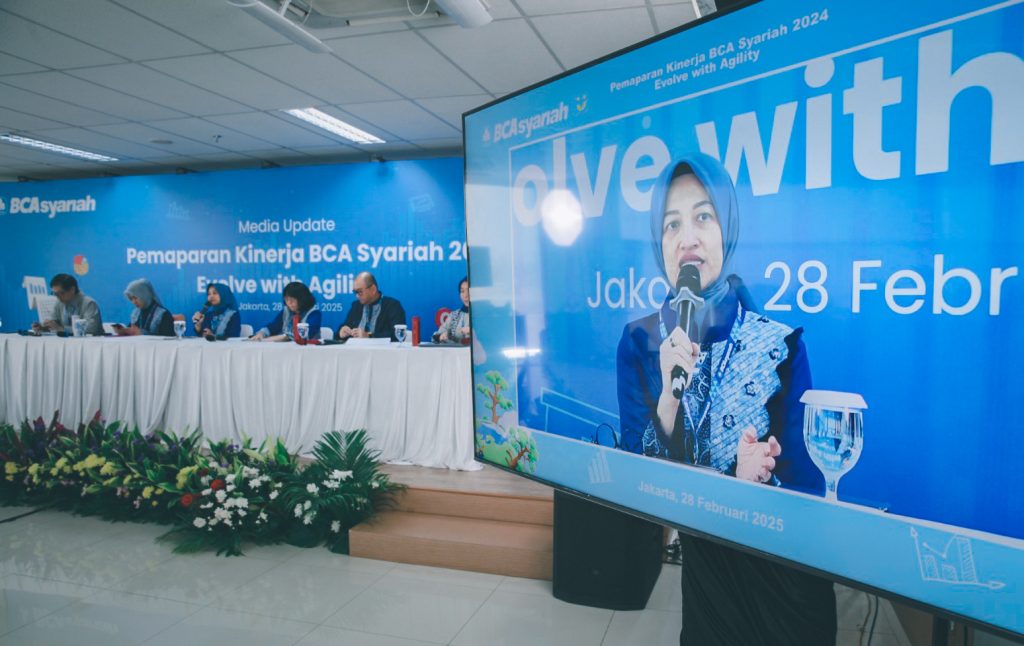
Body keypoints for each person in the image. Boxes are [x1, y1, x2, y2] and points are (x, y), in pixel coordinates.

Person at [615, 152, 835, 645]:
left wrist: (757, 477)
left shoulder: (779, 344)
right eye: (671, 224)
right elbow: (638, 485)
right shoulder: (639, 344)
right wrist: (670, 402)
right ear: (658, 242)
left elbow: (806, 489)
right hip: (710, 588)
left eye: (703, 217)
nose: (687, 238)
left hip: (784, 585)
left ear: (727, 229)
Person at [337, 272, 406, 341]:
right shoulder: (356, 306)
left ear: (373, 289)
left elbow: (398, 335)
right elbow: (345, 327)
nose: (357, 296)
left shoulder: (392, 306)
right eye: (355, 292)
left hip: (381, 348)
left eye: (360, 291)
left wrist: (369, 336)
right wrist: (341, 332)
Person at [32, 274, 103, 336]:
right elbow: (55, 322)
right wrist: (45, 327)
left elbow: (91, 329)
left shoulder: (89, 303)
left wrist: (62, 329)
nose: (58, 297)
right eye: (55, 294)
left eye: (61, 293)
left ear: (72, 290)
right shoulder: (59, 302)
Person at [250, 281, 321, 342]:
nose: (289, 303)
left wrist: (286, 337)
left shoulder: (314, 313)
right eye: (286, 300)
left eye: (292, 300)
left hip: (308, 349)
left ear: (302, 299)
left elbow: (306, 334)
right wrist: (262, 333)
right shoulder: (286, 311)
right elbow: (273, 327)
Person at [433, 277, 471, 344]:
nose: (466, 295)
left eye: (469, 291)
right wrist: (441, 337)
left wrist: (473, 331)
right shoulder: (455, 315)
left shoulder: (484, 315)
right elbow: (435, 337)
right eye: (462, 291)